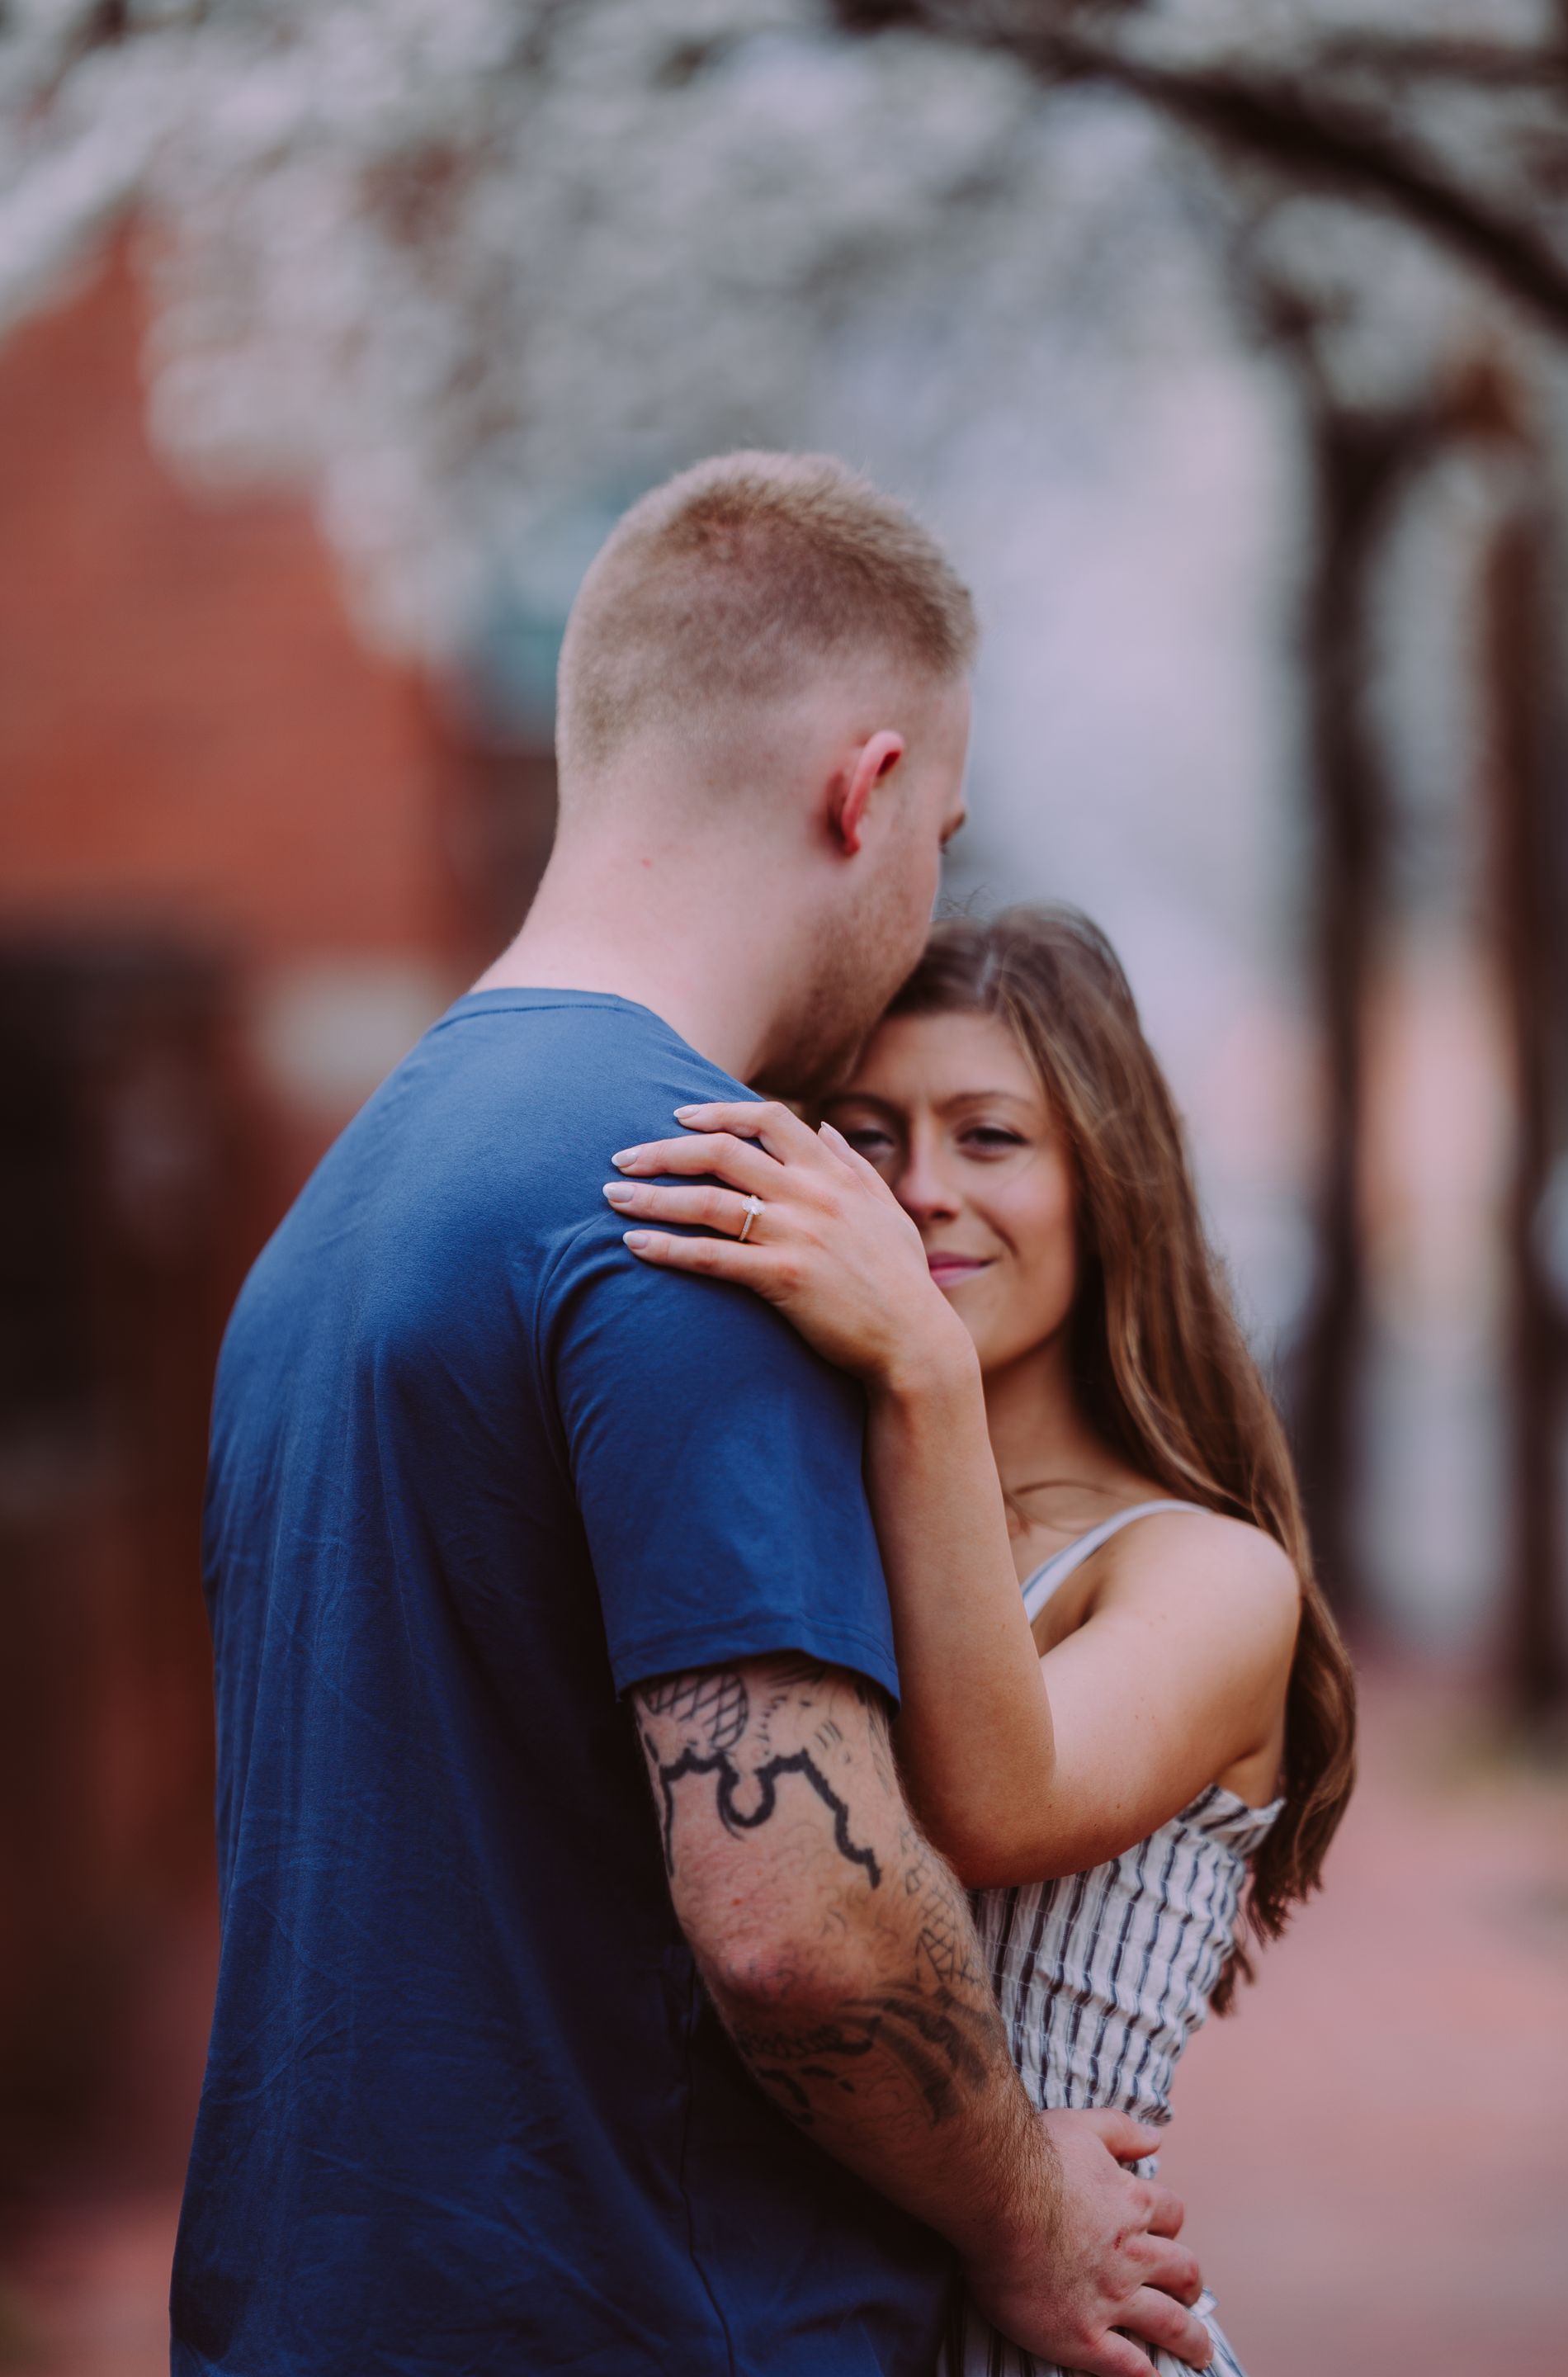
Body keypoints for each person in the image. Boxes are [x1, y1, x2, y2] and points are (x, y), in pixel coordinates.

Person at [172, 458, 1211, 2377]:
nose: (923, 913)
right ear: (866, 786)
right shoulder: (698, 1205)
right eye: (941, 841)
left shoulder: (337, 1211)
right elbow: (797, 1927)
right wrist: (1030, 2210)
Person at [601, 905, 1358, 2377]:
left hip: (1069, 2337)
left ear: (1104, 1182)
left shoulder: (1208, 1572)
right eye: (868, 1136)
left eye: (991, 1137)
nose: (921, 1189)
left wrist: (922, 1371)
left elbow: (997, 1804)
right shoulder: (795, 1519)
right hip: (784, 2324)